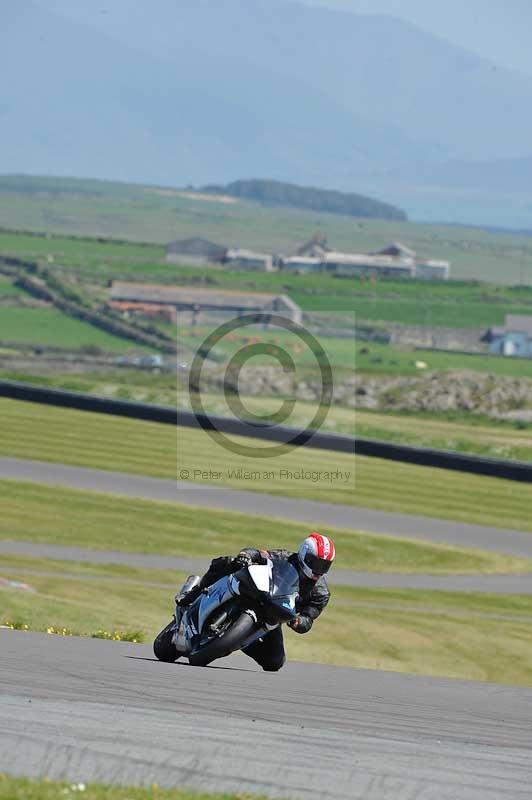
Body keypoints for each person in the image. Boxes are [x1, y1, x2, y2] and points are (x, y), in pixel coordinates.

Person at [177, 532, 335, 672]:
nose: (318, 569)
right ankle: (192, 593)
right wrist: (247, 555)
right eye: (315, 562)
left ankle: (239, 640)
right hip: (255, 593)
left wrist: (299, 622)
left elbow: (309, 618)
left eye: (324, 565)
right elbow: (260, 554)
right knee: (230, 562)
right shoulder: (284, 557)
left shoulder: (321, 593)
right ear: (304, 554)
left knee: (275, 663)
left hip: (273, 615)